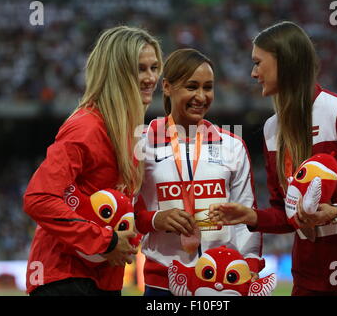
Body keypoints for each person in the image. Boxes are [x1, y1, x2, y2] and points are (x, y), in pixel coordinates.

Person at [209, 21, 337, 296]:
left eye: (258, 63)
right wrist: (251, 216)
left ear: (285, 62)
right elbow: (286, 214)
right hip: (310, 279)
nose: (253, 73)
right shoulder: (271, 129)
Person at [23, 26, 163, 296]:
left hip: (103, 278)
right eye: (140, 69)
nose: (151, 78)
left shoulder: (130, 134)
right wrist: (106, 242)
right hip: (65, 277)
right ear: (117, 73)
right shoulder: (87, 127)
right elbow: (38, 198)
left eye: (154, 68)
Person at [134, 48, 263, 296]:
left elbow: (247, 215)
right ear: (168, 87)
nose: (201, 97)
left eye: (208, 87)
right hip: (163, 283)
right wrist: (154, 219)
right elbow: (125, 211)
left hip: (221, 281)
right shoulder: (143, 143)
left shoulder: (232, 145)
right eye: (192, 87)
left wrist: (249, 264)